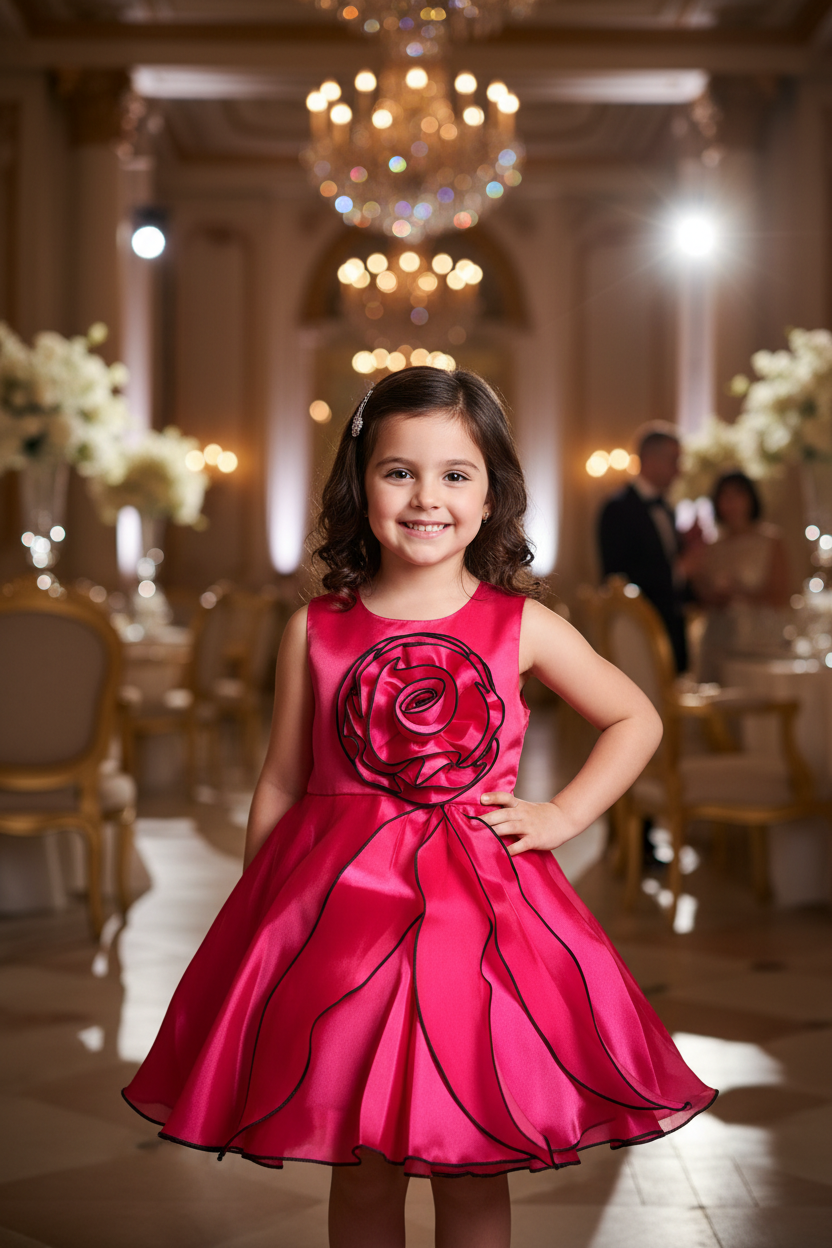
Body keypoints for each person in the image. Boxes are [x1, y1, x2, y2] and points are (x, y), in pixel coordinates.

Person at [123, 369, 715, 1248]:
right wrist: (263, 917)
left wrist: (560, 816)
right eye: (399, 472)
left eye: (455, 474)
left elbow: (637, 717)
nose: (426, 497)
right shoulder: (314, 629)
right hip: (341, 925)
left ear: (491, 495)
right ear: (360, 485)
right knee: (362, 1166)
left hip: (475, 927)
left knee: (470, 1163)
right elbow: (283, 779)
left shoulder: (521, 625)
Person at [598, 423, 700, 674]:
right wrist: (678, 571)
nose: (680, 470)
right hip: (636, 636)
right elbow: (617, 578)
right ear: (652, 460)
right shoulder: (617, 509)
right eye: (675, 461)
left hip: (671, 631)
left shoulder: (667, 509)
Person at [692, 471, 791, 683]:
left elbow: (782, 595)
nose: (731, 503)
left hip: (759, 638)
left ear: (750, 499)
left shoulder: (770, 540)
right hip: (718, 637)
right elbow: (701, 598)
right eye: (725, 496)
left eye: (737, 495)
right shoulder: (712, 547)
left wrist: (741, 594)